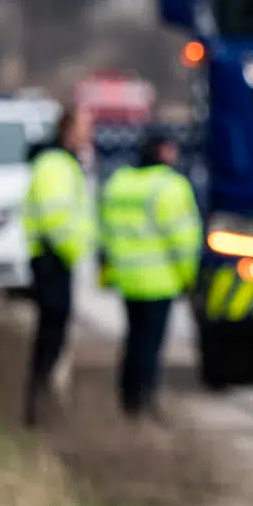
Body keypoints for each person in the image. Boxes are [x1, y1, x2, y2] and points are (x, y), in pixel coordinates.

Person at [98, 132, 201, 422]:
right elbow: (182, 239)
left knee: (133, 337)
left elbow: (105, 231)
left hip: (126, 276)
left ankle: (128, 398)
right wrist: (188, 277)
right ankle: (146, 399)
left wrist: (107, 271)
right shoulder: (170, 186)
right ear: (162, 152)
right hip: (159, 279)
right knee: (151, 343)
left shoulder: (119, 183)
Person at [21, 105, 97, 427]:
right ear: (69, 129)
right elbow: (54, 218)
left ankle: (43, 403)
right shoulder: (55, 164)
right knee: (51, 336)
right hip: (53, 259)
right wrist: (73, 250)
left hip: (57, 259)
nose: (89, 132)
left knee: (54, 334)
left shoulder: (63, 162)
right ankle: (38, 405)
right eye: (85, 126)